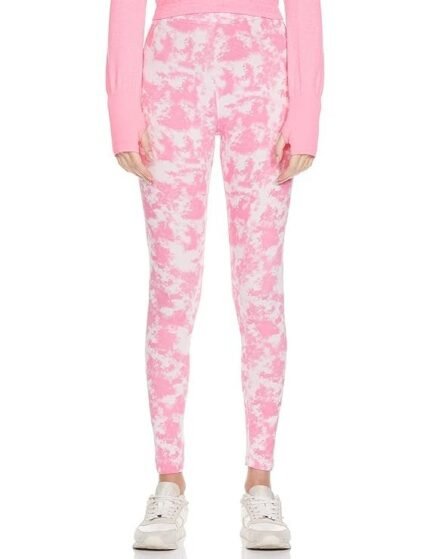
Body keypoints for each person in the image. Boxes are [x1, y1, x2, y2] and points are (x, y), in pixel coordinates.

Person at [105, 0, 324, 551]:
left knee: (260, 286)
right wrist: (123, 108)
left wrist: (305, 112)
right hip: (171, 73)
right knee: (172, 286)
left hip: (261, 72)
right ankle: (169, 480)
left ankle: (260, 481)